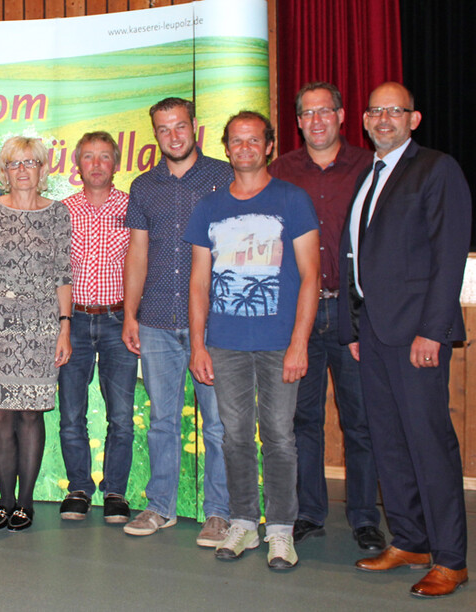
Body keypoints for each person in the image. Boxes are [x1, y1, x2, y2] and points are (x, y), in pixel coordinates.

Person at [340, 82, 471, 598]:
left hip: (416, 333)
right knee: (388, 442)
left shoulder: (436, 169)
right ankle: (411, 541)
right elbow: (360, 258)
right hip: (372, 332)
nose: (384, 118)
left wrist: (432, 331)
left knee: (428, 444)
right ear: (366, 120)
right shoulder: (368, 175)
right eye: (376, 110)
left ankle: (451, 559)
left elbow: (448, 257)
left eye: (395, 111)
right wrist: (355, 328)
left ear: (414, 120)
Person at [186, 111, 319, 570]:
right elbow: (199, 283)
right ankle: (243, 521)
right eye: (236, 140)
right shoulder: (209, 207)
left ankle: (281, 530)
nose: (244, 147)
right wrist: (199, 345)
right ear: (226, 148)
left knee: (280, 436)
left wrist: (299, 341)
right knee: (235, 435)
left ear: (268, 147)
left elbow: (310, 277)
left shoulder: (293, 200)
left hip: (279, 342)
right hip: (224, 343)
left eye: (253, 140)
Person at [267, 82, 384, 551]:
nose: (316, 121)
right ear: (297, 122)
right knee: (302, 421)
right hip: (298, 314)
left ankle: (364, 518)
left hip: (353, 311)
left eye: (324, 112)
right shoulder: (281, 171)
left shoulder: (366, 167)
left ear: (341, 116)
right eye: (307, 114)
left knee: (360, 421)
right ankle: (309, 513)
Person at [122, 97, 232, 546]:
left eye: (179, 127)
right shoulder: (143, 186)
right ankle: (159, 507)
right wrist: (130, 314)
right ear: (156, 135)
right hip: (157, 319)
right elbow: (137, 254)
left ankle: (220, 514)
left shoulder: (225, 177)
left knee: (218, 422)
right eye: (163, 129)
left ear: (195, 128)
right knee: (161, 420)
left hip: (216, 322)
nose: (173, 136)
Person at [0, 136, 73, 532]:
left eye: (31, 162)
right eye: (15, 163)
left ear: (43, 170)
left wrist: (65, 328)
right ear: (4, 171)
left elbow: (64, 274)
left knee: (30, 415)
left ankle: (25, 503)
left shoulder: (58, 214)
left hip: (43, 328)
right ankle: (5, 501)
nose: (23, 170)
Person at [55, 132, 138, 526]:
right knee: (72, 413)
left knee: (121, 414)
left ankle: (116, 492)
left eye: (105, 157)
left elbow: (141, 266)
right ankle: (78, 488)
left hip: (119, 320)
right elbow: (56, 273)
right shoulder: (63, 210)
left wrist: (134, 317)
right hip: (73, 319)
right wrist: (61, 323)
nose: (97, 164)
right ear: (78, 164)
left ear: (116, 163)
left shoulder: (132, 208)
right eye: (88, 156)